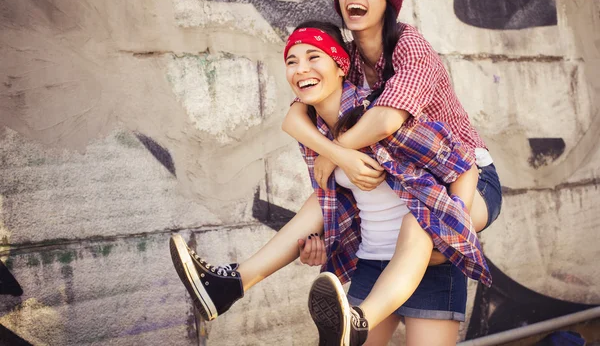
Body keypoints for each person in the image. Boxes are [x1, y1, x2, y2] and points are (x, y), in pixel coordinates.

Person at [170, 21, 491, 346]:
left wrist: (452, 227)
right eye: (291, 61)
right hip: (373, 261)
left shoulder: (380, 115)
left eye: (313, 57)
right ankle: (232, 284)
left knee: (413, 224)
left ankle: (353, 319)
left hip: (430, 262)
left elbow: (462, 164)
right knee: (318, 201)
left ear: (341, 65)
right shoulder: (315, 133)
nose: (300, 69)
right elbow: (334, 203)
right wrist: (319, 240)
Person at [282, 0, 502, 239]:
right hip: (411, 180)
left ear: (388, 1)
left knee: (431, 239)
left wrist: (335, 152)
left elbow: (387, 120)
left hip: (467, 175)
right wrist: (334, 154)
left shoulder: (410, 46)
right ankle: (236, 278)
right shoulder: (345, 58)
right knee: (326, 207)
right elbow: (295, 115)